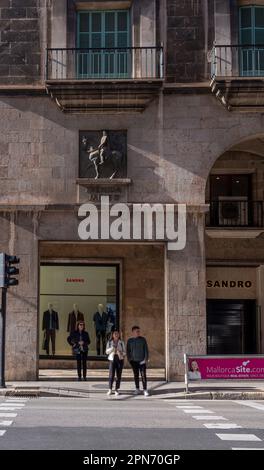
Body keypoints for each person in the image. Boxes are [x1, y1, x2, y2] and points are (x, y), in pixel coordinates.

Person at [127, 325, 149, 397]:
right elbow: (128, 351)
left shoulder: (143, 339)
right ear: (133, 332)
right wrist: (129, 359)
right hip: (134, 361)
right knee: (136, 375)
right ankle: (137, 388)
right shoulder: (129, 341)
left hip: (142, 361)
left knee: (143, 375)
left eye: (139, 331)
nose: (138, 332)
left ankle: (145, 389)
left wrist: (146, 359)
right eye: (137, 331)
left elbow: (146, 350)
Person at [106, 330, 126, 396]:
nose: (116, 335)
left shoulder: (121, 342)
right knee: (111, 375)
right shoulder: (109, 342)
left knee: (118, 375)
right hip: (112, 359)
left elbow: (124, 353)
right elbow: (107, 352)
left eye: (117, 334)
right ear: (112, 335)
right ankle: (110, 389)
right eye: (115, 334)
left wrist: (120, 352)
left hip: (119, 359)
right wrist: (112, 348)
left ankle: (116, 389)